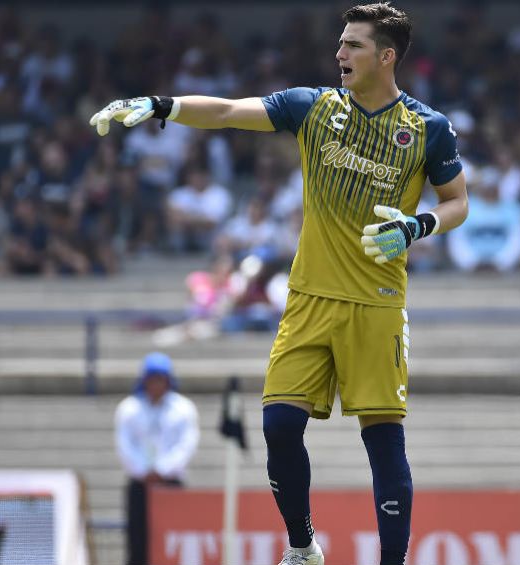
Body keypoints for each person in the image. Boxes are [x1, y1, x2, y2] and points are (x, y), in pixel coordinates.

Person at [90, 4, 469, 564]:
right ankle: (301, 546)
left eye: (353, 46)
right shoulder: (312, 107)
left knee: (383, 442)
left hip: (377, 303)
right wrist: (159, 105)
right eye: (340, 43)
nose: (340, 53)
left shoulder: (427, 128)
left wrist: (418, 226)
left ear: (386, 56)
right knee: (278, 426)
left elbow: (458, 201)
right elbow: (224, 112)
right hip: (309, 298)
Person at [114, 353, 199, 565]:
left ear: (168, 381)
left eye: (160, 379)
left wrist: (162, 470)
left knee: (172, 539)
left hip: (170, 482)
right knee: (138, 542)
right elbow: (125, 445)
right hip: (140, 484)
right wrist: (143, 471)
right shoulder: (129, 408)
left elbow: (186, 445)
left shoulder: (183, 409)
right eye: (152, 379)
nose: (155, 385)